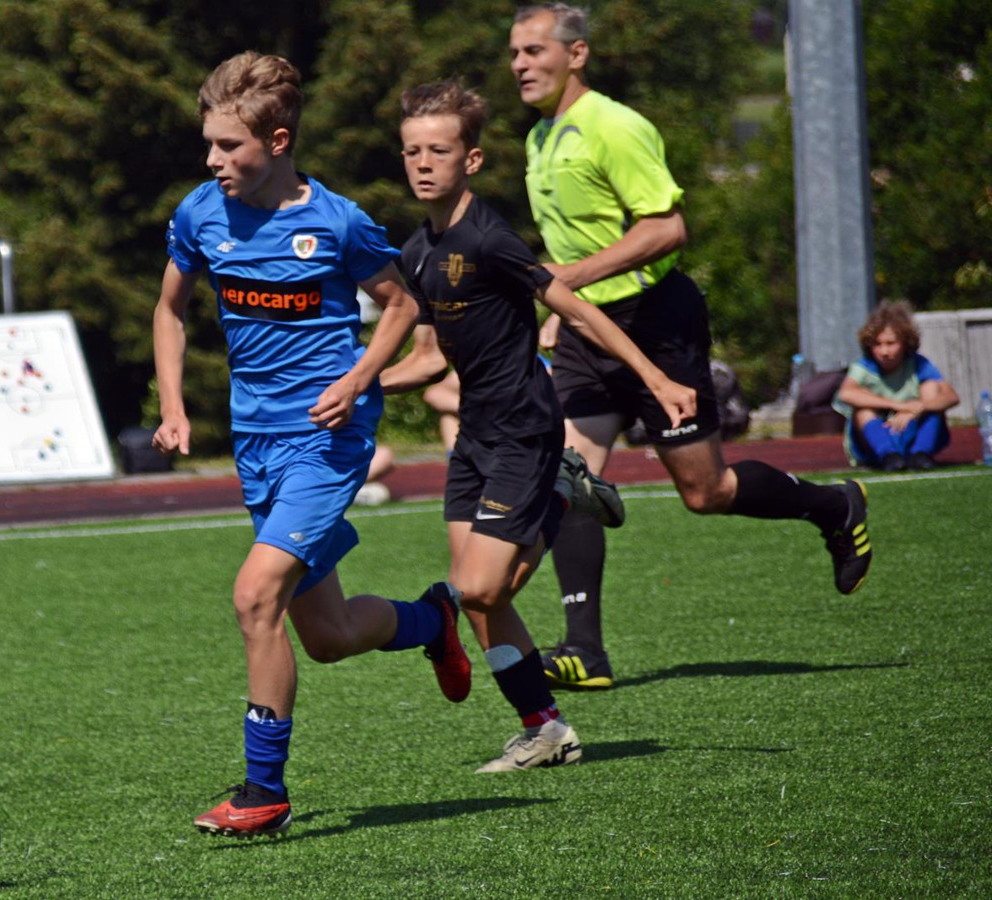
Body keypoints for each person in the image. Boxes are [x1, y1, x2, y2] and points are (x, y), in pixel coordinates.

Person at [152, 52, 474, 840]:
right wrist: (173, 406)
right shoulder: (199, 214)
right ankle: (431, 620)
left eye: (228, 145)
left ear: (278, 141)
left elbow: (402, 307)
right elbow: (169, 310)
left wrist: (360, 379)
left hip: (327, 442)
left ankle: (263, 793)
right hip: (255, 443)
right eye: (209, 143)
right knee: (327, 638)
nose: (212, 159)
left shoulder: (336, 222)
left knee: (254, 596)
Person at [508, 4, 875, 689]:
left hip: (656, 323)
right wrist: (563, 311)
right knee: (569, 475)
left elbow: (667, 229)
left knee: (706, 492)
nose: (520, 65)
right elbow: (572, 244)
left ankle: (833, 505)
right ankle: (585, 651)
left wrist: (569, 280)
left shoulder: (615, 126)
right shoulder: (539, 137)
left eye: (534, 51)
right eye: (515, 54)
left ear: (577, 54)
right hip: (590, 333)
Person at [380, 80, 696, 770]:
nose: (423, 163)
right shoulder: (417, 252)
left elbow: (578, 311)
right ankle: (546, 730)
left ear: (471, 159)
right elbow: (428, 361)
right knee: (478, 601)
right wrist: (353, 387)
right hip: (474, 438)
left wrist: (658, 379)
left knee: (479, 589)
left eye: (439, 150)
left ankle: (560, 491)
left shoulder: (490, 240)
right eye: (412, 151)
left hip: (525, 432)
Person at [833, 300, 959, 471]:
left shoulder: (918, 364)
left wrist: (919, 407)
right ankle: (888, 456)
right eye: (877, 344)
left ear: (905, 342)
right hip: (876, 439)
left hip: (910, 428)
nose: (884, 352)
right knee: (862, 409)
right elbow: (846, 393)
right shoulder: (864, 367)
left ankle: (921, 453)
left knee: (931, 388)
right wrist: (900, 406)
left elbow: (951, 396)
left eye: (890, 343)